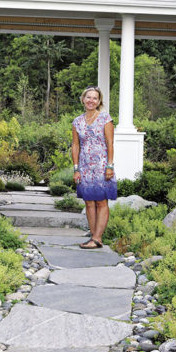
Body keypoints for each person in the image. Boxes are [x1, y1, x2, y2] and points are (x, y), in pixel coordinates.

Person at [71, 86, 117, 249]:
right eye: (88, 97)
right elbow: (75, 145)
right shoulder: (77, 121)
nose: (91, 100)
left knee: (101, 202)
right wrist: (76, 168)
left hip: (102, 165)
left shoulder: (105, 118)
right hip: (84, 166)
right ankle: (94, 237)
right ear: (83, 99)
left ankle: (97, 238)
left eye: (95, 98)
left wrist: (110, 165)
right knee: (89, 202)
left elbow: (110, 143)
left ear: (99, 102)